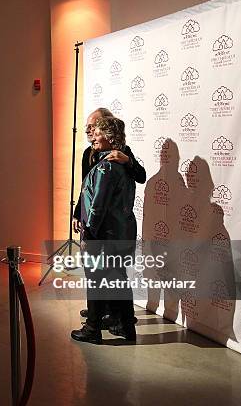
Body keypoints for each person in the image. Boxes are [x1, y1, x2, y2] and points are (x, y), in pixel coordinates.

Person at [72, 108, 145, 327]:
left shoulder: (122, 152)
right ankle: (103, 311)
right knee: (101, 271)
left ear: (106, 128)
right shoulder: (89, 153)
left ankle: (117, 316)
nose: (89, 131)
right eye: (88, 127)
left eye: (93, 126)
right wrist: (78, 214)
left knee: (111, 271)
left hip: (111, 226)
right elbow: (86, 188)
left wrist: (128, 161)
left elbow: (140, 176)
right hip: (100, 223)